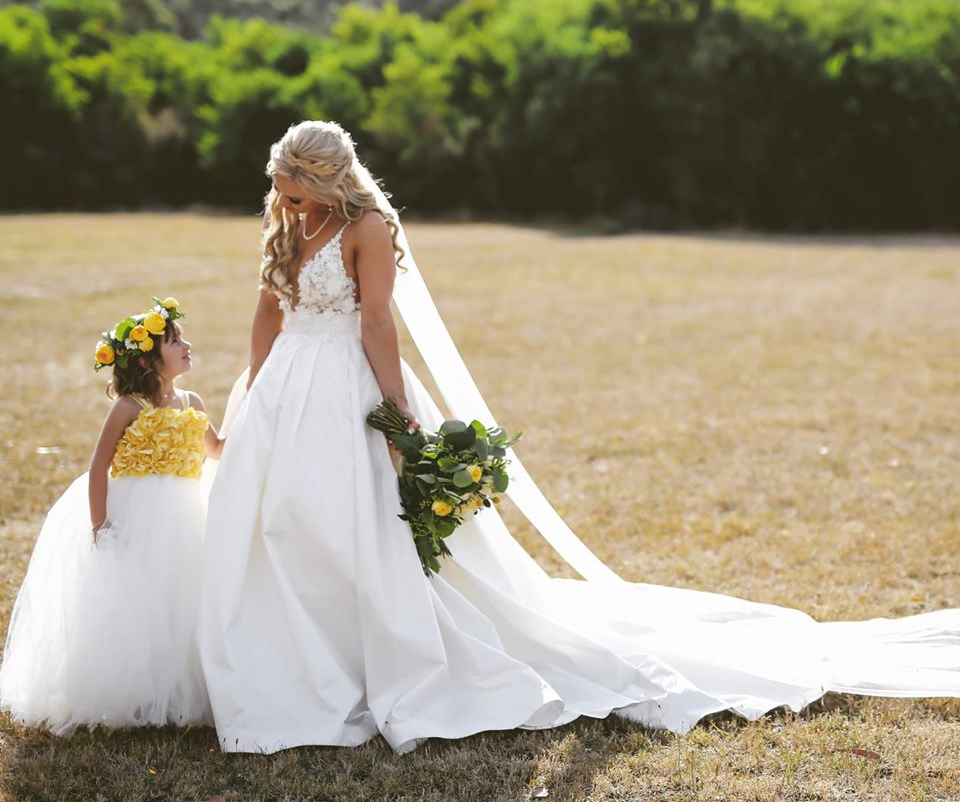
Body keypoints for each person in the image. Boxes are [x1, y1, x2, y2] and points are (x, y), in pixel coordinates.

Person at [200, 120, 960, 756]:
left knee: (356, 526)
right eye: (280, 189)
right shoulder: (290, 223)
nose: (284, 201)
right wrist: (255, 388)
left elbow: (374, 324)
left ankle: (364, 659)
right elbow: (268, 311)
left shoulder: (366, 227)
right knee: (281, 523)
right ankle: (287, 662)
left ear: (329, 180)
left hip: (346, 385)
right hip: (285, 390)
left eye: (294, 189)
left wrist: (399, 418)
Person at [0, 298, 225, 734]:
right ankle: (134, 691)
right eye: (175, 341)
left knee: (181, 597)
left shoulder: (192, 402)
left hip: (184, 515)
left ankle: (178, 688)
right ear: (147, 358)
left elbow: (215, 448)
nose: (187, 346)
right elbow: (99, 464)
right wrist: (100, 523)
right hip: (136, 513)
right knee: (138, 600)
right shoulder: (129, 406)